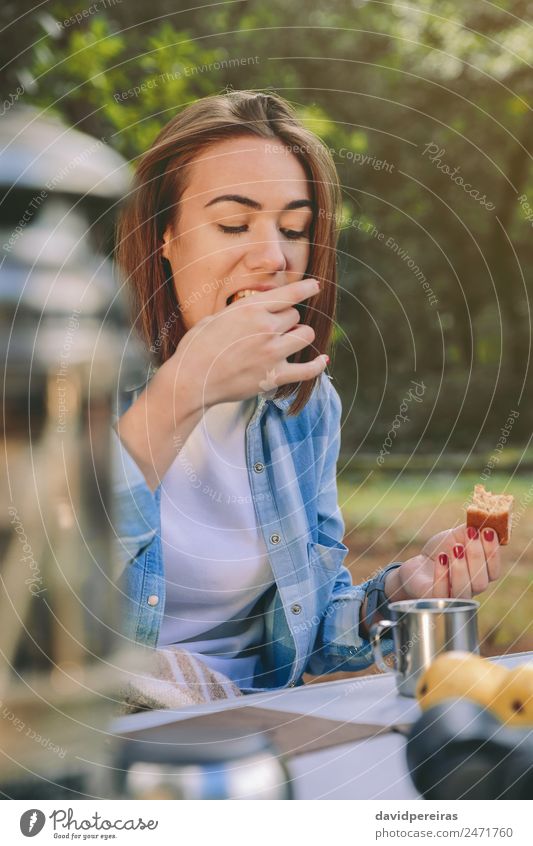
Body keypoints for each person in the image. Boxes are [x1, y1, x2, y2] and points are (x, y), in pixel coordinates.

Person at [112, 90, 502, 704]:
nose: (273, 257)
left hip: (262, 727)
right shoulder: (69, 383)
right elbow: (37, 589)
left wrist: (402, 589)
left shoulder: (308, 410)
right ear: (165, 236)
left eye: (294, 229)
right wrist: (183, 391)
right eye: (234, 224)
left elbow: (311, 629)